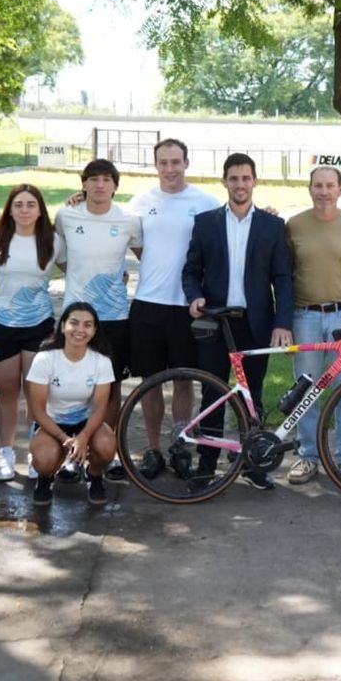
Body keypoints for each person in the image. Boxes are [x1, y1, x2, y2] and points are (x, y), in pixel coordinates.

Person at [183, 153, 294, 490]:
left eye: (246, 178)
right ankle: (205, 466)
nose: (240, 184)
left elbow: (283, 278)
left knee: (253, 397)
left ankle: (251, 463)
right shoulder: (206, 223)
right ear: (225, 182)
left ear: (255, 181)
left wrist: (282, 321)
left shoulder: (273, 226)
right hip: (216, 322)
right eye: (234, 178)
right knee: (213, 395)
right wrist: (195, 296)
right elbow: (191, 270)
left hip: (255, 323)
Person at [126, 139, 218, 478]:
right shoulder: (140, 202)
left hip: (187, 307)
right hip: (148, 304)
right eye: (163, 163)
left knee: (183, 381)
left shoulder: (206, 203)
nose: (170, 169)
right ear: (155, 166)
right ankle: (153, 451)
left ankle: (181, 447)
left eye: (176, 162)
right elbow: (138, 248)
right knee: (150, 383)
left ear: (187, 162)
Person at [54, 158, 142, 481]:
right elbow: (60, 258)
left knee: (111, 387)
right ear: (84, 185)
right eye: (93, 179)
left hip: (115, 317)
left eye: (107, 179)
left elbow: (147, 256)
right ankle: (71, 454)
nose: (100, 185)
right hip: (75, 319)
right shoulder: (65, 216)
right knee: (72, 387)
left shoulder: (129, 220)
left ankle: (110, 452)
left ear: (115, 186)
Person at [284, 166, 341, 485]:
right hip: (304, 315)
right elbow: (285, 273)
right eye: (318, 185)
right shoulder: (294, 225)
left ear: (340, 189)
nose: (324, 191)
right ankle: (308, 456)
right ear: (309, 189)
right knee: (306, 389)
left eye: (330, 185)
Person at [0, 183, 58, 482]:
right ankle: (5, 453)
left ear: (40, 209)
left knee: (35, 395)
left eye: (31, 204)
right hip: (3, 327)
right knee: (8, 393)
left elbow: (77, 267)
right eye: (19, 205)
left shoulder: (54, 241)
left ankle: (35, 452)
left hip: (39, 327)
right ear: (10, 209)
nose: (25, 210)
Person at [25, 302, 120, 506]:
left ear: (94, 331)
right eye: (74, 323)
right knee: (44, 458)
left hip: (86, 422)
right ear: (62, 326)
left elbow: (100, 408)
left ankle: (94, 475)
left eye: (87, 325)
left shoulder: (101, 361)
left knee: (107, 446)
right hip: (52, 423)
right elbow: (37, 410)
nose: (80, 330)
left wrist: (84, 436)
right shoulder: (45, 359)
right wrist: (63, 438)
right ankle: (46, 478)